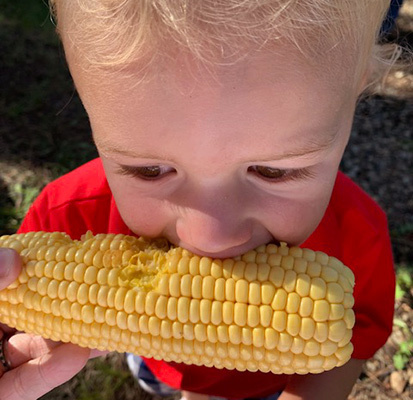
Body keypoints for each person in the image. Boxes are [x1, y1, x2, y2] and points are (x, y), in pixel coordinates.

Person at [0, 1, 399, 399]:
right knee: (156, 378)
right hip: (160, 364)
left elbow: (357, 335)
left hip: (269, 385)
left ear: (359, 91)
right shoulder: (68, 215)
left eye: (272, 171)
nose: (210, 236)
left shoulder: (357, 233)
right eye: (149, 171)